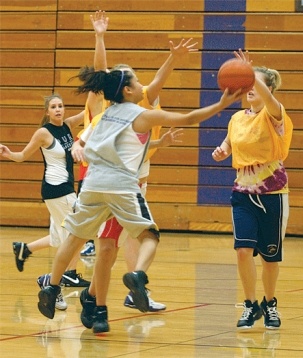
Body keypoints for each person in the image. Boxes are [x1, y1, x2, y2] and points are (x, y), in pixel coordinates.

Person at [36, 65, 242, 335]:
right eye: (137, 81)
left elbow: (86, 145)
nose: (142, 85)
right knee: (150, 236)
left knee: (74, 237)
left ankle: (52, 286)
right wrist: (221, 103)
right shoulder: (141, 115)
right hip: (121, 185)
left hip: (92, 184)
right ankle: (138, 275)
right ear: (128, 90)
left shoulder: (105, 114)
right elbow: (189, 118)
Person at [75, 10, 196, 312]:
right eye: (132, 77)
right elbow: (101, 72)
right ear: (122, 88)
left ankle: (123, 287)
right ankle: (86, 293)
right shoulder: (111, 105)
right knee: (108, 244)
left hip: (134, 180)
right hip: (109, 180)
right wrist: (99, 36)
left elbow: (157, 81)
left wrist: (173, 59)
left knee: (121, 241)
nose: (140, 82)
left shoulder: (143, 101)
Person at [212, 50, 293, 330]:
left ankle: (270, 303)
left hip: (273, 195)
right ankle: (250, 305)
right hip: (243, 193)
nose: (249, 88)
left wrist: (247, 71)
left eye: (254, 83)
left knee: (271, 256)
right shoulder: (237, 119)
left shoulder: (275, 114)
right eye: (247, 83)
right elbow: (229, 144)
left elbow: (270, 102)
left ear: (268, 89)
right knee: (243, 251)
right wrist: (222, 151)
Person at [0, 94, 90, 310]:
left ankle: (26, 250)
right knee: (75, 236)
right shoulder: (43, 133)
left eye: (60, 106)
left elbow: (89, 114)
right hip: (57, 190)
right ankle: (53, 284)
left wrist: (98, 92)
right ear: (47, 112)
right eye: (53, 107)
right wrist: (8, 153)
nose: (58, 109)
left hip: (65, 189)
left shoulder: (68, 125)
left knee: (60, 238)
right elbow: (22, 155)